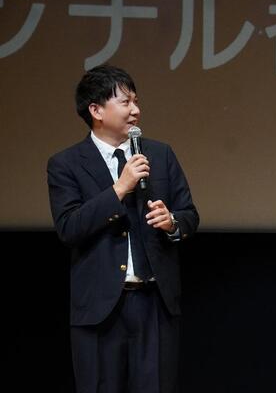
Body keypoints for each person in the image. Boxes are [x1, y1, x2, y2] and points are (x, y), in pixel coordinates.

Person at [47, 64, 199, 393]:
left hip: (154, 302)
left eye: (136, 101)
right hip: (100, 310)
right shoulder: (66, 164)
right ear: (96, 110)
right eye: (125, 102)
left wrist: (172, 222)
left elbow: (189, 215)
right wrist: (119, 188)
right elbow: (69, 227)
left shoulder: (159, 154)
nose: (136, 110)